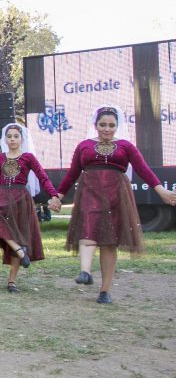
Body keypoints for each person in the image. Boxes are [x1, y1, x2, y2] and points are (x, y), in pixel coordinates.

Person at [49, 105, 176, 303]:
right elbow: (72, 173)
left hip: (116, 194)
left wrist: (161, 191)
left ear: (117, 126)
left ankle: (105, 291)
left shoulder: (126, 146)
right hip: (89, 192)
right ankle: (85, 272)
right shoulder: (84, 145)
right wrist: (57, 196)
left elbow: (143, 170)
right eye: (103, 125)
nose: (107, 129)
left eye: (111, 125)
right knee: (87, 229)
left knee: (109, 241)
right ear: (95, 125)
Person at [0, 123, 59, 293]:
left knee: (18, 234)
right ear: (5, 139)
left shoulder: (28, 157)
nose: (12, 139)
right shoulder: (1, 158)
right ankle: (19, 249)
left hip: (20, 200)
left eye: (16, 136)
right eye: (9, 136)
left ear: (21, 139)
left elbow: (42, 177)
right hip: (2, 197)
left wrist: (53, 195)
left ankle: (12, 281)